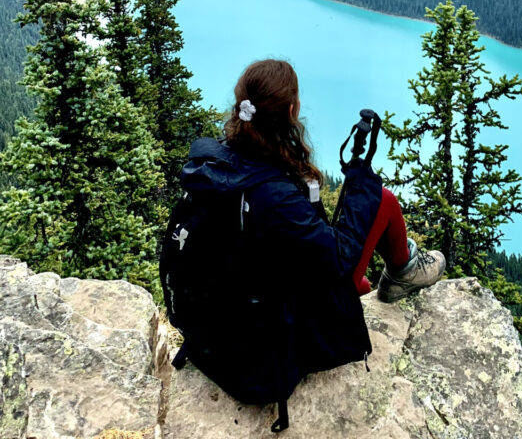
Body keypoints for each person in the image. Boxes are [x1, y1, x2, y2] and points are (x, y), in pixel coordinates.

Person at [174, 58, 445, 421]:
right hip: (259, 358)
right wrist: (360, 179)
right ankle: (403, 270)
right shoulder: (274, 194)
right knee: (382, 201)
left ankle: (389, 273)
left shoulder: (215, 165)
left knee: (359, 279)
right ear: (291, 110)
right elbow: (339, 257)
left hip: (214, 331)